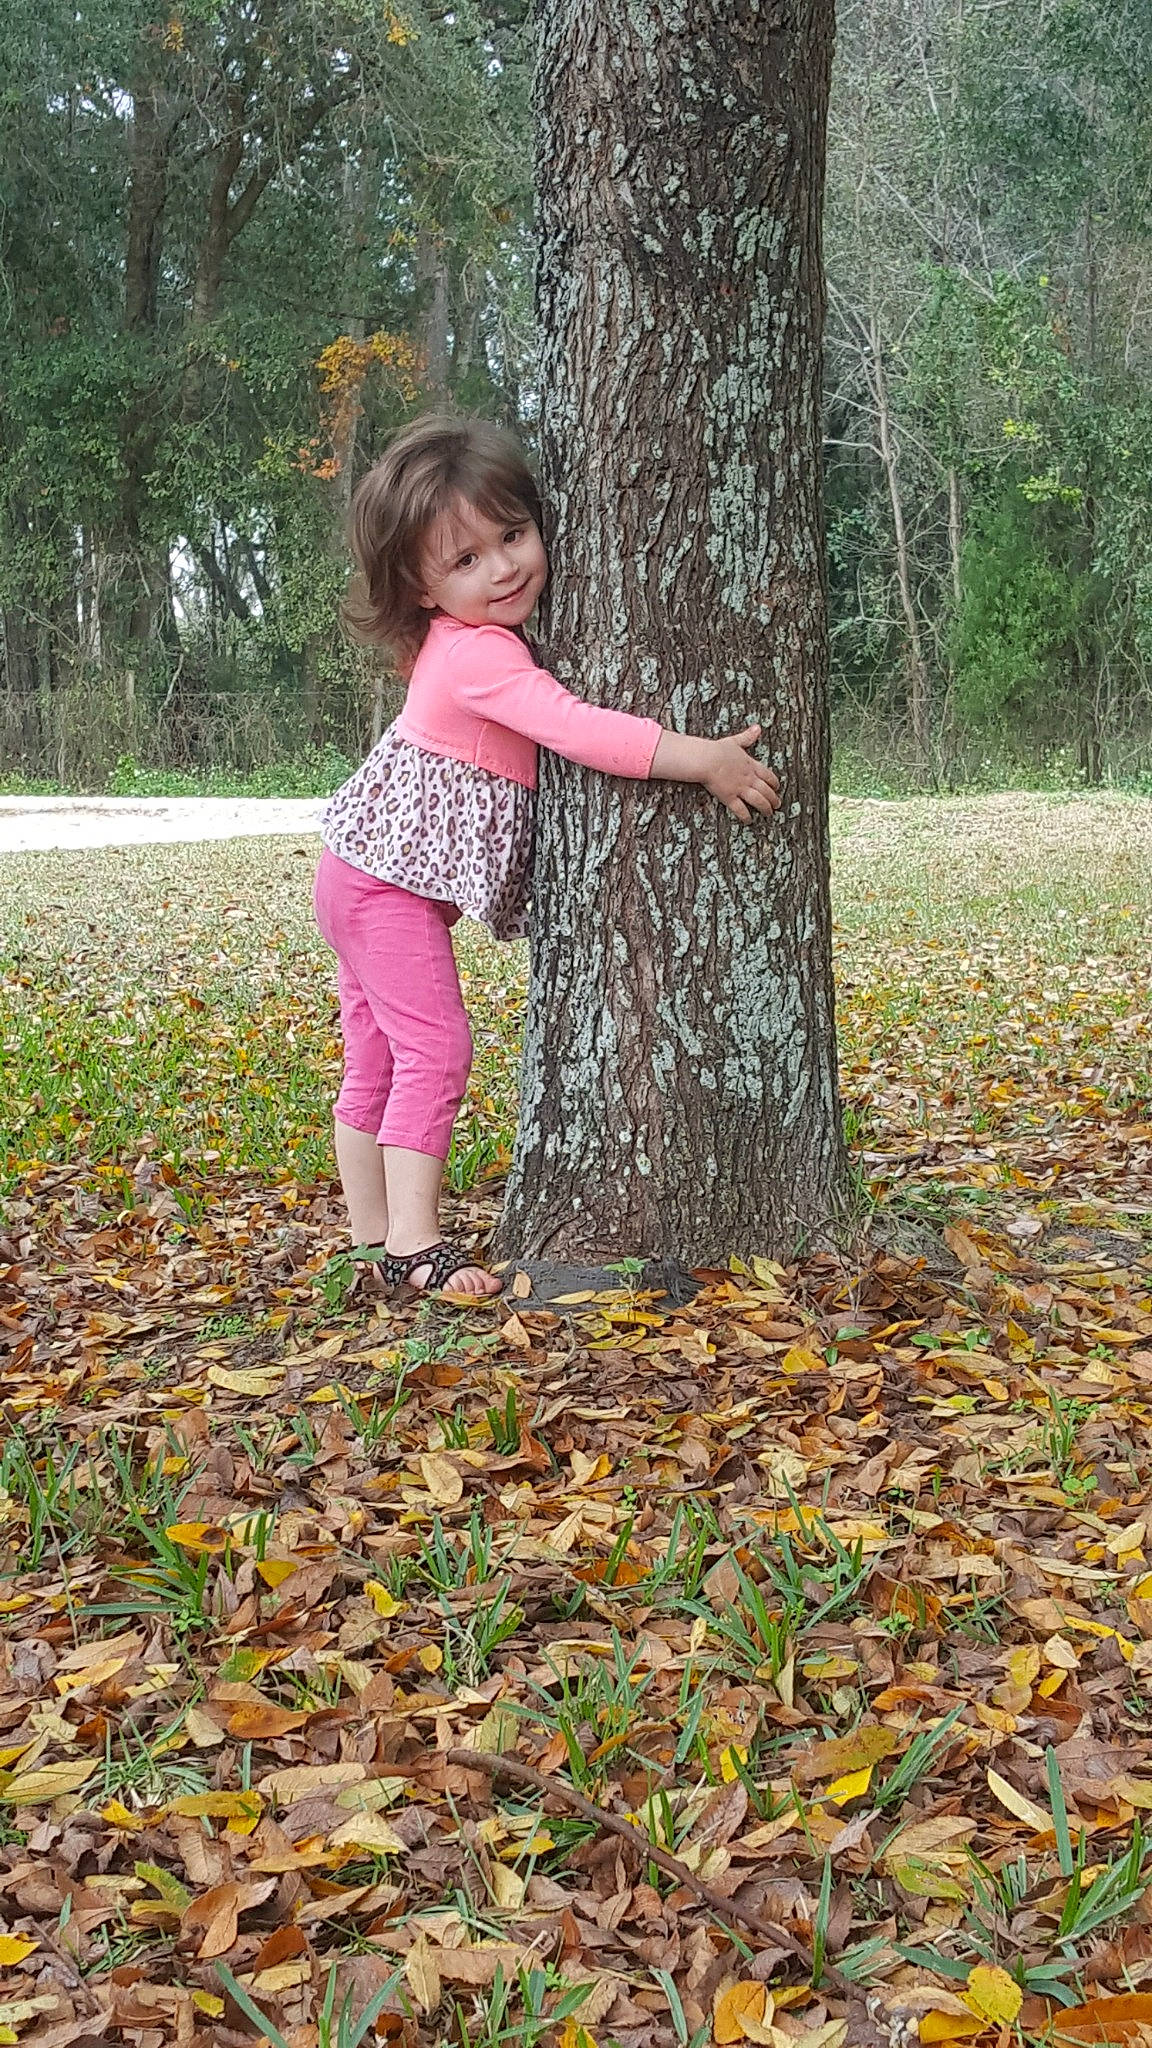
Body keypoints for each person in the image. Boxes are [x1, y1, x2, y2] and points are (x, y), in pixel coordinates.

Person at [314, 414, 782, 1298]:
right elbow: (577, 728)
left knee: (375, 1063)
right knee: (434, 1051)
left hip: (354, 875)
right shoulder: (478, 657)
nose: (503, 568)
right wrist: (703, 759)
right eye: (465, 560)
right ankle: (410, 1245)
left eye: (514, 535)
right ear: (419, 586)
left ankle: (371, 1241)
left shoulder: (463, 643)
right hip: (383, 890)